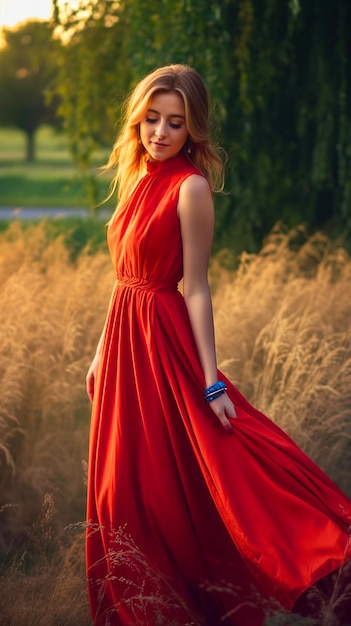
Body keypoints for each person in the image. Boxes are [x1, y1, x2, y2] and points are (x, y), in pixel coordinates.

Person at [85, 64, 351, 626]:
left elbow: (197, 288)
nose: (159, 132)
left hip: (162, 341)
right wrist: (100, 350)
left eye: (174, 123)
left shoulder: (191, 188)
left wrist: (211, 380)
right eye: (151, 119)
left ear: (193, 130)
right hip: (124, 340)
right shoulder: (136, 178)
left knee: (183, 478)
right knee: (117, 489)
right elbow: (122, 279)